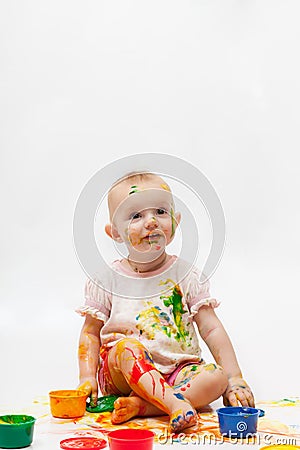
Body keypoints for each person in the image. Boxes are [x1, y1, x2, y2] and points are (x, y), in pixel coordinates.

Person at [76, 171, 254, 433]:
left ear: (175, 221)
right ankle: (173, 404)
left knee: (216, 378)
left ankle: (144, 406)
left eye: (160, 211)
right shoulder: (106, 280)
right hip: (123, 374)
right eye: (136, 215)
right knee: (128, 348)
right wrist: (87, 377)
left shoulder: (187, 276)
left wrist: (235, 377)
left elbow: (212, 328)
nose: (151, 222)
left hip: (178, 372)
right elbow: (90, 334)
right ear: (114, 233)